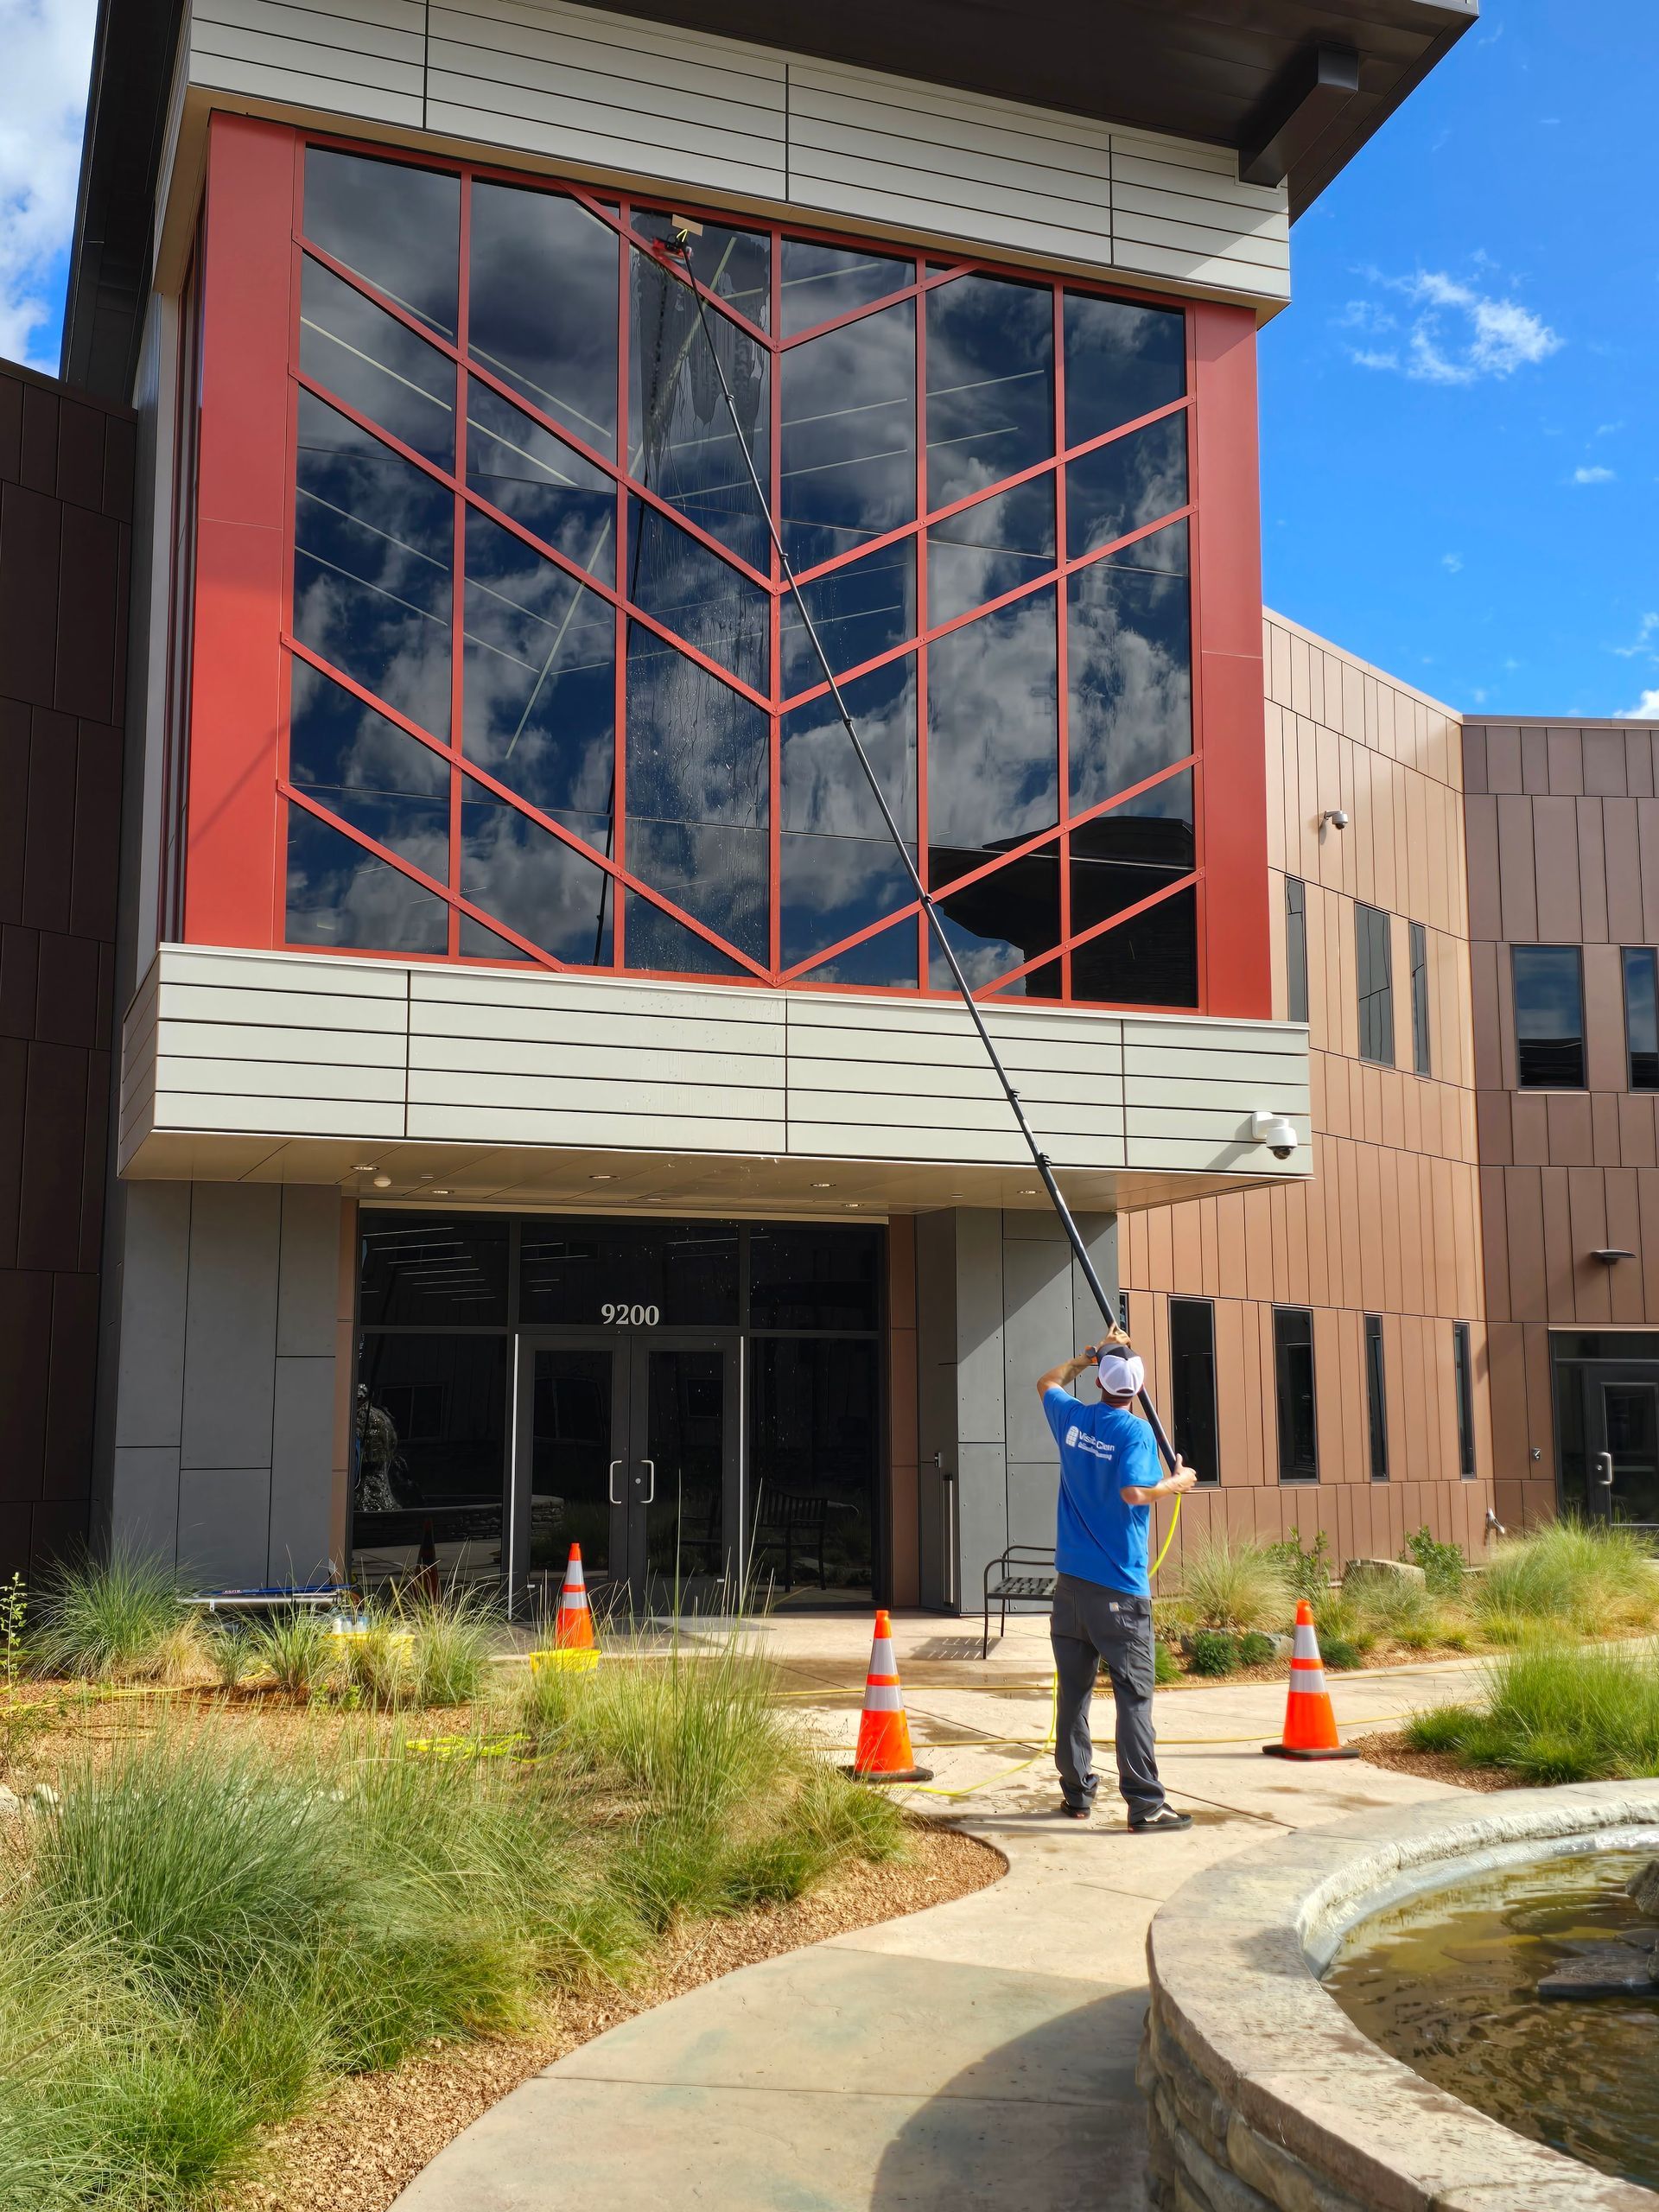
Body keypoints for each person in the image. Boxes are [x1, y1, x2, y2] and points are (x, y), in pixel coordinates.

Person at [1036, 1338, 1198, 1830]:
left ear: (1101, 1381)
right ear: (1140, 1386)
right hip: (1120, 1592)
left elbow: (1046, 1382)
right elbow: (1132, 1492)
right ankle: (1146, 1805)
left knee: (1075, 1695)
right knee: (1133, 1697)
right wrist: (1177, 1482)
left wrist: (1087, 1357)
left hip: (1071, 1589)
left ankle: (1077, 1794)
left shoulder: (1074, 1419)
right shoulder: (1137, 1432)